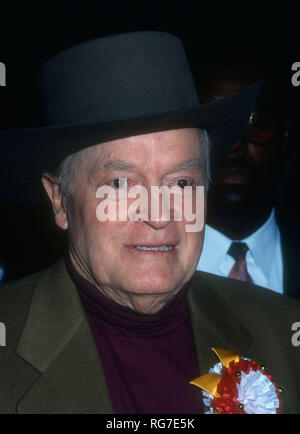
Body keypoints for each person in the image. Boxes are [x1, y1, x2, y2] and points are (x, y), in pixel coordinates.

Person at [0, 32, 300, 414]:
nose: (160, 216)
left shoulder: (285, 331)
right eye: (121, 184)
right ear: (59, 199)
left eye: (182, 183)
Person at [194, 64, 300, 299]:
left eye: (255, 120)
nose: (234, 144)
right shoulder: (140, 268)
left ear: (285, 134)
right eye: (214, 123)